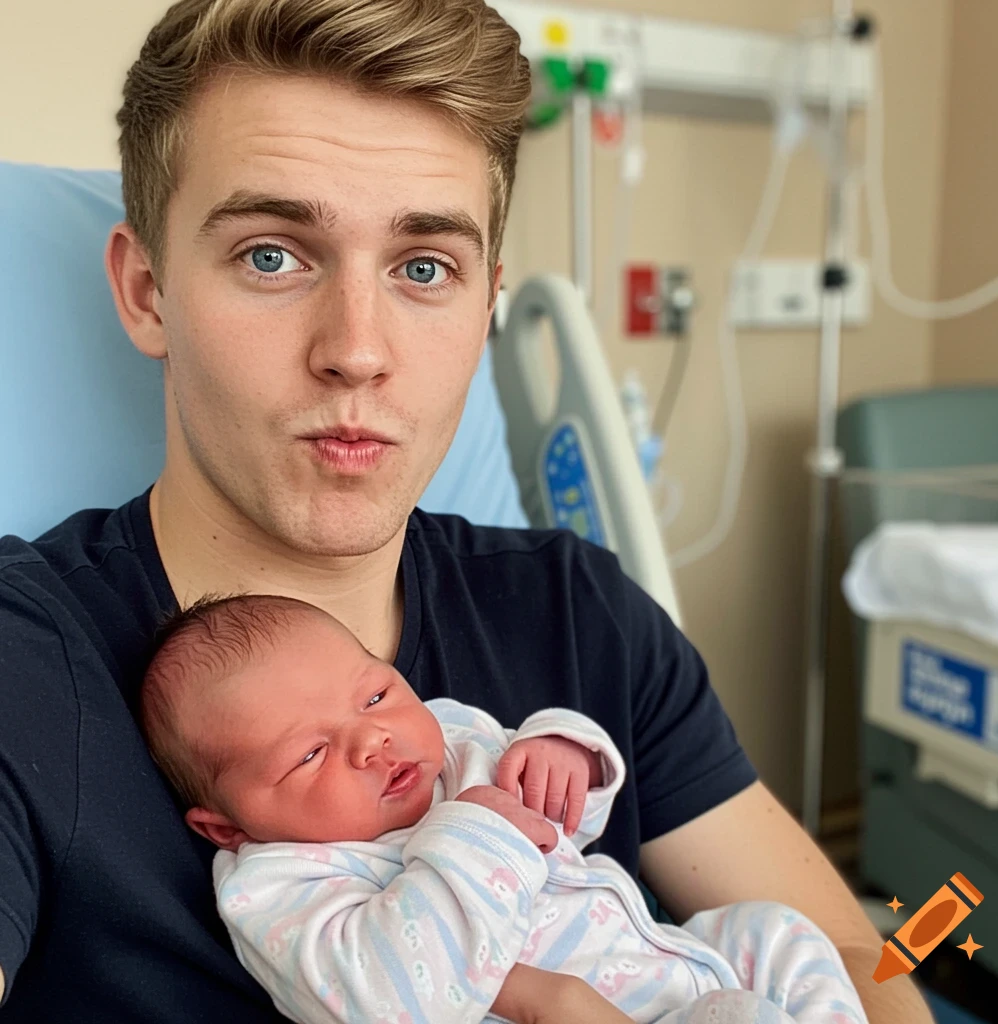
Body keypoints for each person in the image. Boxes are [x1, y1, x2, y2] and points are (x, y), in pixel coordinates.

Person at [0, 1, 933, 1022]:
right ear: (146, 293)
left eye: (423, 268)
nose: (357, 348)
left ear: (487, 305)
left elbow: (858, 953)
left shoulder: (577, 611)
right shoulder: (27, 666)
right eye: (272, 254)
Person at [139, 592, 868, 1024]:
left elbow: (565, 823)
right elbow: (392, 998)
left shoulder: (451, 741)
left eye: (376, 695)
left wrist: (565, 754)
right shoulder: (283, 887)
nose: (373, 739)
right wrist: (475, 832)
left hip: (679, 962)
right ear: (226, 827)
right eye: (309, 754)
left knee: (775, 934)